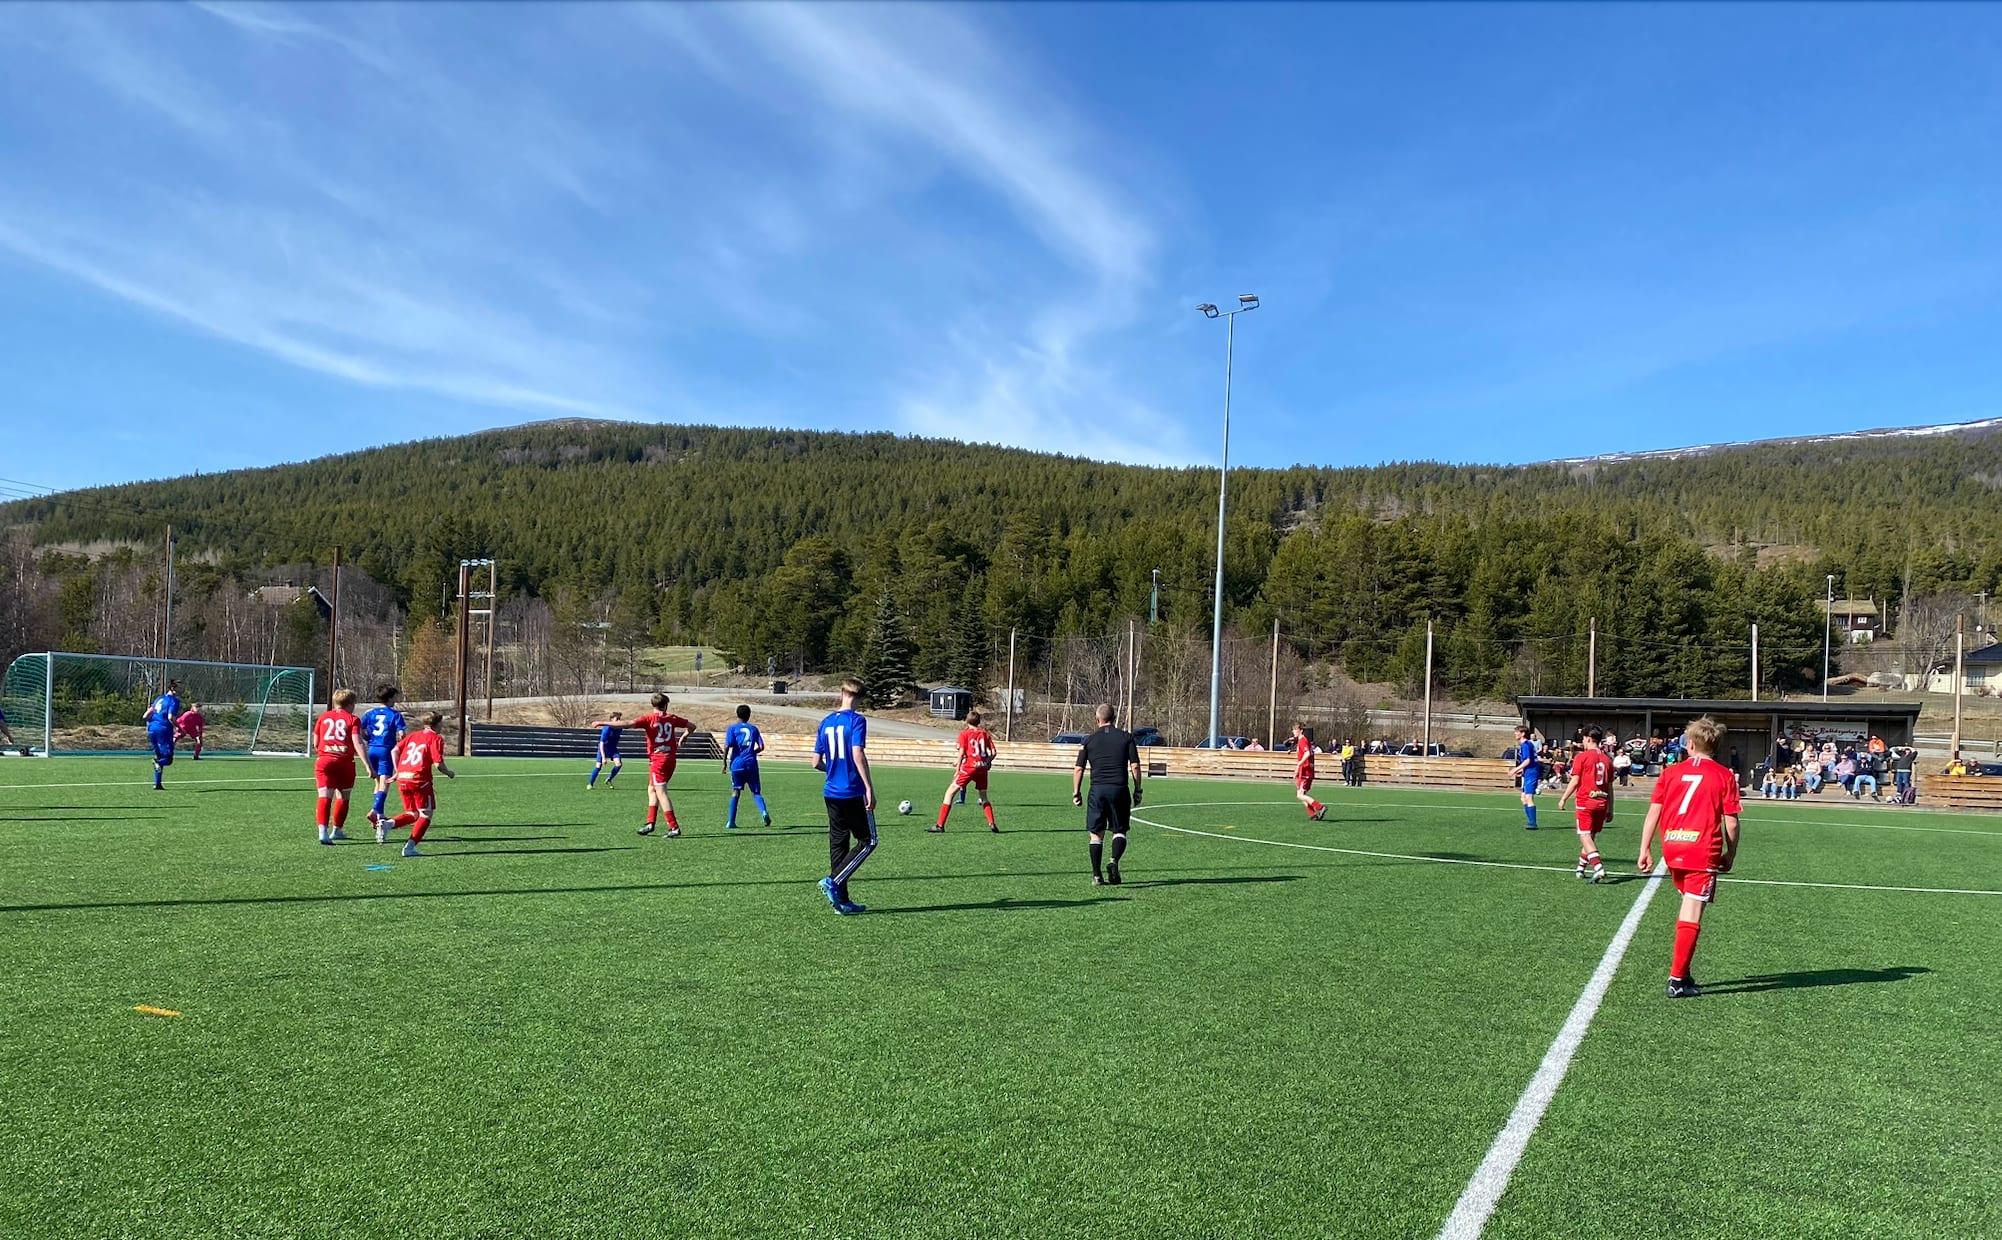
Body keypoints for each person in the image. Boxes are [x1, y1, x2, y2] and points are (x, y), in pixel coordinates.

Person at [1636, 717, 1742, 999]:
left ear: (1691, 745)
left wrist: (1645, 849)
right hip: (1702, 850)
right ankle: (1676, 979)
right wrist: (1731, 852)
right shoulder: (1723, 775)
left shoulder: (1671, 773)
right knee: (1692, 912)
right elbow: (1731, 822)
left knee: (1689, 906)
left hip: (1673, 848)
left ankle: (1683, 972)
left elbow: (1654, 812)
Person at [814, 678, 876, 914]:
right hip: (851, 790)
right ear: (860, 698)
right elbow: (857, 753)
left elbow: (815, 762)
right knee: (868, 841)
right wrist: (868, 787)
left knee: (838, 845)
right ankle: (833, 881)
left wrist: (832, 770)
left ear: (841, 694)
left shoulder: (826, 722)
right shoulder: (857, 720)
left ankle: (842, 901)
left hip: (831, 792)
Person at [594, 694, 694, 837]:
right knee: (652, 789)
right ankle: (650, 823)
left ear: (652, 705)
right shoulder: (672, 718)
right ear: (666, 705)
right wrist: (684, 736)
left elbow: (627, 723)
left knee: (661, 792)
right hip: (670, 759)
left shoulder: (648, 719)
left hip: (658, 760)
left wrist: (603, 722)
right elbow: (692, 726)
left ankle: (673, 827)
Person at [1072, 703, 1142, 886]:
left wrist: (1076, 792)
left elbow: (1078, 768)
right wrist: (1138, 789)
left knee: (1096, 835)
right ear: (1114, 718)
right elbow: (1135, 766)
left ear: (1097, 720)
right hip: (1119, 789)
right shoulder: (1126, 737)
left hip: (1098, 790)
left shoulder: (1088, 740)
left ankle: (1097, 875)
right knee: (1119, 831)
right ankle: (1113, 860)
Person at [387, 712, 455, 857]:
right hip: (419, 779)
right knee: (425, 814)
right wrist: (449, 772)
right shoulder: (435, 738)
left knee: (412, 813)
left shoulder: (413, 735)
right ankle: (409, 848)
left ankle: (388, 824)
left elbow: (395, 750)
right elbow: (438, 764)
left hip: (403, 777)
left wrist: (398, 771)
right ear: (437, 724)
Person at [311, 689, 371, 845]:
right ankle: (337, 830)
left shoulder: (323, 717)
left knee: (324, 796)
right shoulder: (353, 719)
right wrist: (367, 765)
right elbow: (358, 742)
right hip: (344, 762)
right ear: (350, 704)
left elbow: (316, 742)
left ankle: (322, 832)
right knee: (343, 796)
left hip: (324, 761)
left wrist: (326, 750)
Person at [1557, 726, 1613, 882]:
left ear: (1588, 738)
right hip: (1602, 802)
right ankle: (1581, 868)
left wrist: (1564, 798)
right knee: (1591, 836)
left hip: (1585, 801)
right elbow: (1610, 787)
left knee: (1585, 835)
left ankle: (1598, 867)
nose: (1582, 741)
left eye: (1583, 738)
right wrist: (1611, 808)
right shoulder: (1607, 759)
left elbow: (1575, 781)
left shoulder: (1582, 757)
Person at [933, 709, 999, 833]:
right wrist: (988, 761)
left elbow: (962, 753)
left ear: (966, 721)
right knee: (983, 797)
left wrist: (957, 769)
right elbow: (994, 752)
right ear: (979, 722)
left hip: (969, 767)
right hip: (982, 768)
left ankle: (940, 825)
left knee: (949, 793)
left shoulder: (964, 734)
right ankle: (992, 823)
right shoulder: (984, 734)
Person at [360, 684, 407, 841]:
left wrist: (367, 737)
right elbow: (402, 733)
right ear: (390, 698)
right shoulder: (395, 714)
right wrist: (401, 743)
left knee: (378, 783)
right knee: (385, 783)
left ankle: (379, 814)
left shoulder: (370, 713)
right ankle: (375, 810)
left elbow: (358, 728)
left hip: (372, 749)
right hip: (386, 750)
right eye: (394, 697)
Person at [722, 704, 771, 830]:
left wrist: (724, 763)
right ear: (749, 716)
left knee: (736, 791)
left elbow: (727, 745)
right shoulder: (754, 729)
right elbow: (761, 746)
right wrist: (752, 753)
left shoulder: (732, 729)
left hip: (737, 764)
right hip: (751, 763)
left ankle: (731, 821)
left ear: (737, 715)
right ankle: (764, 812)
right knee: (756, 792)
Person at [142, 680, 183, 789]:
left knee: (160, 756)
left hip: (152, 728)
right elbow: (170, 717)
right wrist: (179, 728)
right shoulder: (174, 700)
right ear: (173, 688)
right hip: (164, 730)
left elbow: (145, 715)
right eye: (179, 688)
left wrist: (152, 725)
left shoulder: (159, 698)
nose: (181, 690)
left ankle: (157, 783)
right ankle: (157, 763)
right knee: (168, 759)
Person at [1291, 721, 1327, 821]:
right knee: (1302, 795)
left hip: (1305, 771)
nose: (1294, 732)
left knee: (1300, 795)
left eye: (1295, 730)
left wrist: (1299, 764)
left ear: (1301, 731)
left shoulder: (1303, 740)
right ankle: (1312, 814)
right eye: (1293, 730)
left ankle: (1320, 807)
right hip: (1304, 770)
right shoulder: (1301, 740)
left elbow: (1307, 753)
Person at [1509, 725, 1541, 830]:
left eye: (1517, 732)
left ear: (1522, 734)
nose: (1515, 733)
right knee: (1523, 798)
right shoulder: (1527, 744)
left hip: (1531, 773)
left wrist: (1515, 769)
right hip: (1528, 772)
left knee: (1528, 797)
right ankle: (1530, 821)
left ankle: (1533, 823)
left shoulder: (1526, 745)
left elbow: (1527, 761)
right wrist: (1522, 770)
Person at [588, 712, 624, 790]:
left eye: (619, 719)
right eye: (617, 719)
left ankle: (609, 779)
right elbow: (601, 743)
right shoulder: (607, 728)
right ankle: (590, 784)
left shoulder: (619, 728)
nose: (619, 721)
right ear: (611, 719)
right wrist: (604, 757)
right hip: (603, 748)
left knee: (619, 764)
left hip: (612, 748)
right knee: (598, 766)